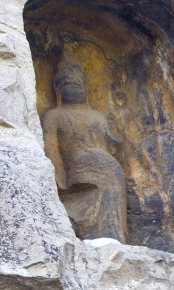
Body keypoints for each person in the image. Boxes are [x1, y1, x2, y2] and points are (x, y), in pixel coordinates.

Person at [41, 63, 127, 241]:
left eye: (78, 84)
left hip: (106, 165)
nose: (74, 87)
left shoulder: (98, 116)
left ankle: (113, 235)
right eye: (67, 84)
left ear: (86, 88)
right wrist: (59, 179)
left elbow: (111, 146)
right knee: (112, 174)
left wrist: (116, 131)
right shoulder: (54, 116)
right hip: (78, 167)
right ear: (58, 90)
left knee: (115, 178)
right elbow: (50, 147)